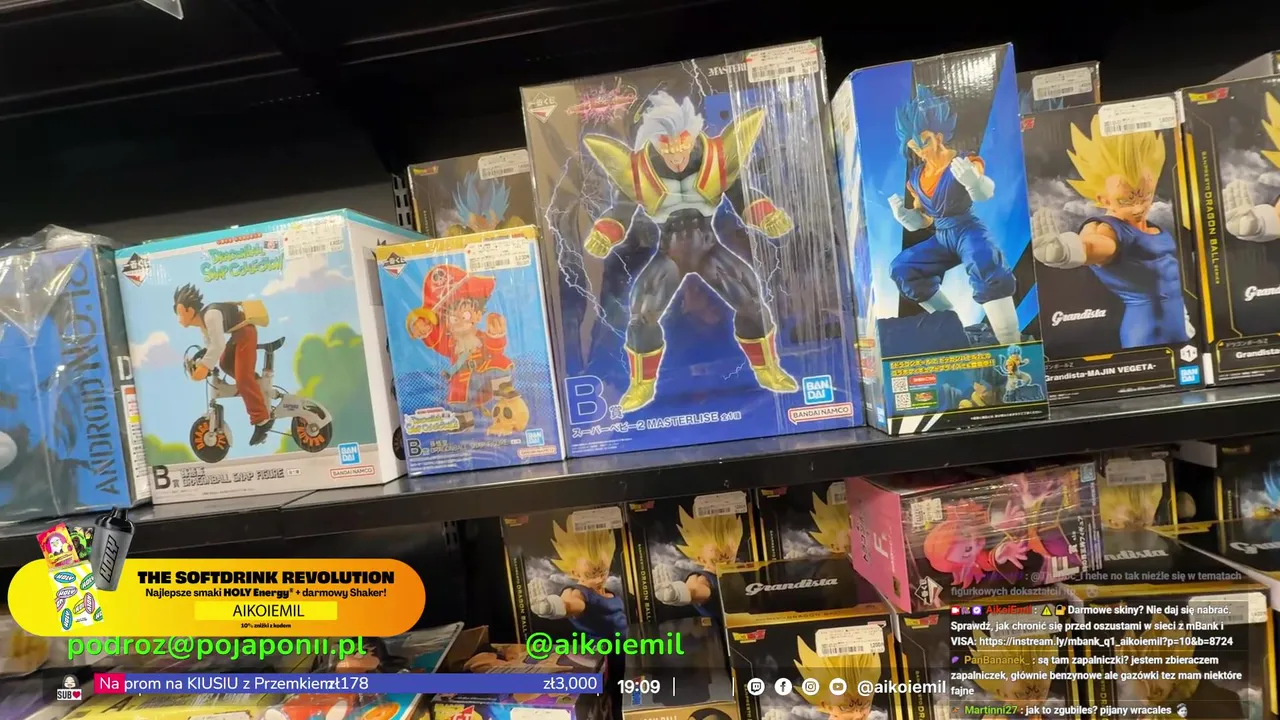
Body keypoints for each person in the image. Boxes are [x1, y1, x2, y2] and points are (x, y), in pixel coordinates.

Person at [581, 91, 797, 412]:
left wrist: (766, 216)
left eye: (682, 144)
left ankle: (768, 369)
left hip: (708, 247)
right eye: (667, 147)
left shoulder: (715, 160)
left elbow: (743, 196)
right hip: (669, 253)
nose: (677, 154)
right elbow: (621, 212)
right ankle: (642, 386)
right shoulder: (639, 172)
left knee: (751, 300)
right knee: (642, 315)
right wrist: (604, 233)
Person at [1031, 116, 1193, 347]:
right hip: (1147, 332)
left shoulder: (1153, 225)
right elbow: (1095, 245)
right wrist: (1065, 252)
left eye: (1145, 195)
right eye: (1126, 200)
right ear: (1103, 199)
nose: (1138, 207)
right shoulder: (1107, 228)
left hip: (1178, 326)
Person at [888, 84, 1022, 345]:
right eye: (914, 147)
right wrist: (906, 218)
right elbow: (923, 219)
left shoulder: (964, 162)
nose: (920, 151)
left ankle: (1011, 342)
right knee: (903, 267)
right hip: (942, 235)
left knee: (985, 262)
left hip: (967, 230)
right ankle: (954, 328)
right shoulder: (917, 177)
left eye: (924, 142)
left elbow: (985, 193)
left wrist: (974, 183)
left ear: (938, 136)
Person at [173, 284, 272, 446]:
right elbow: (211, 343)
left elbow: (218, 344)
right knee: (225, 363)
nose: (178, 318)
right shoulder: (203, 323)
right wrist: (203, 359)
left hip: (246, 333)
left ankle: (262, 420)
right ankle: (256, 387)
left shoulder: (210, 316)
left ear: (189, 311)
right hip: (238, 334)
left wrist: (204, 366)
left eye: (179, 312)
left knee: (243, 379)